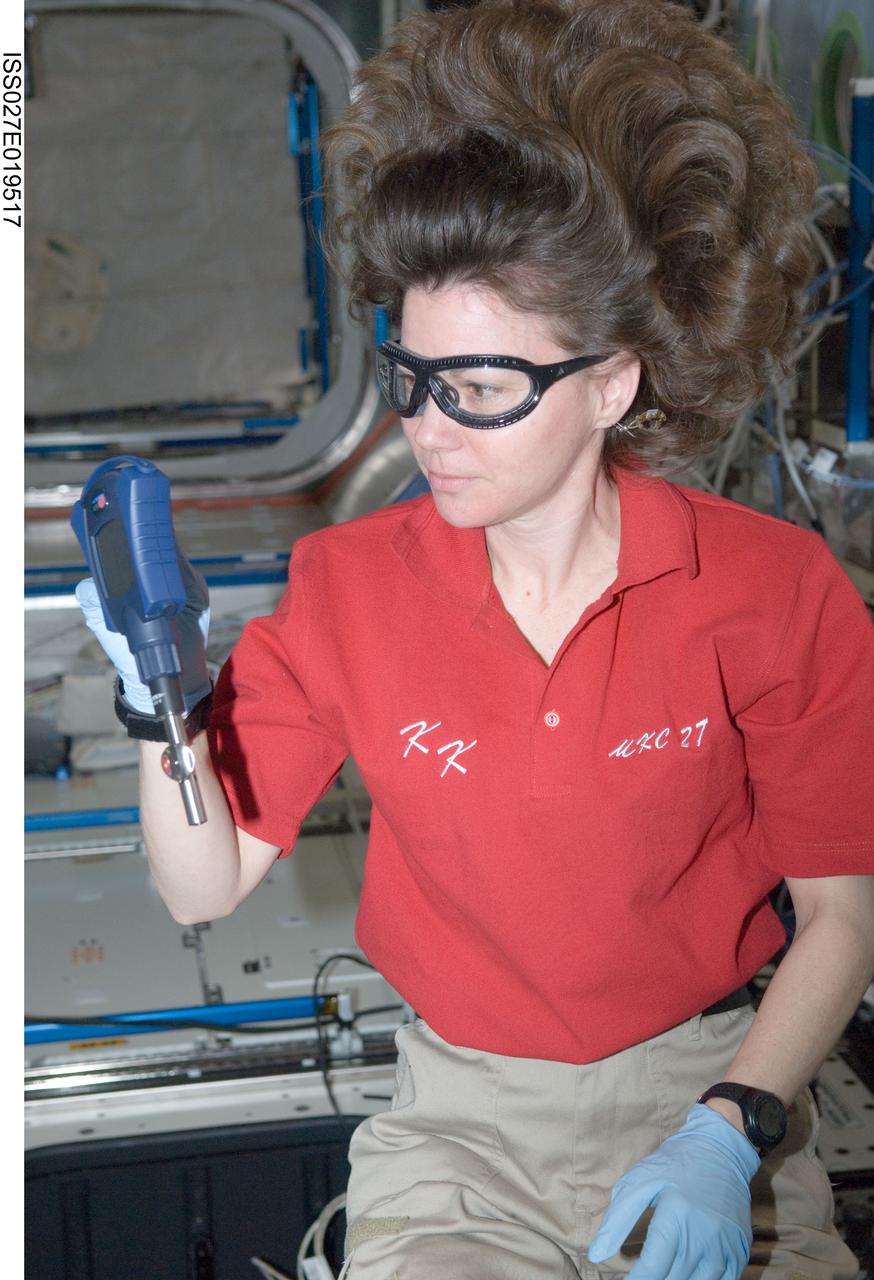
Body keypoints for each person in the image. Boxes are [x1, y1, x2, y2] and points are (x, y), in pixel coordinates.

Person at [76, 1, 874, 1278]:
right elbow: (199, 884)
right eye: (412, 374)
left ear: (611, 383)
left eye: (485, 388)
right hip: (462, 1124)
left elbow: (843, 915)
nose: (430, 428)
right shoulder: (347, 584)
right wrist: (157, 707)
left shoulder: (769, 588)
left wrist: (731, 1131)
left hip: (718, 1087)